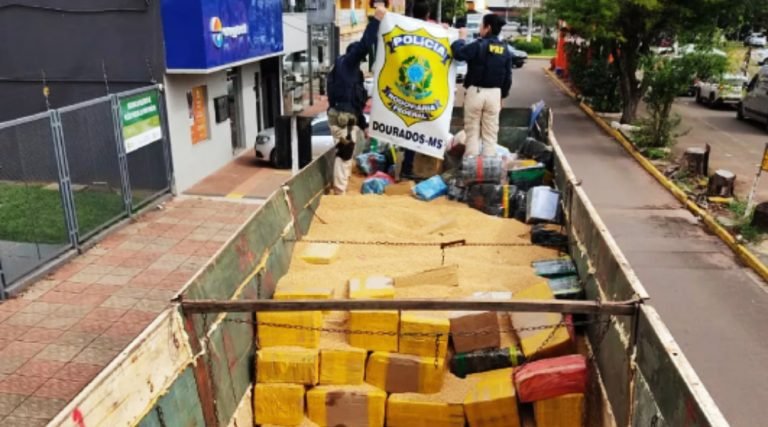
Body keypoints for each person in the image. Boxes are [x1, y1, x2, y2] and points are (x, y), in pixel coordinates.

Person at [327, 5, 387, 194]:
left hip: (348, 118)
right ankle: (339, 190)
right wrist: (376, 21)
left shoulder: (353, 75)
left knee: (347, 152)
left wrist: (364, 126)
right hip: (341, 118)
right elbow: (363, 46)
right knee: (345, 153)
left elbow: (355, 105)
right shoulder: (346, 64)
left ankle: (341, 188)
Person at [452, 14, 513, 158]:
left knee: (472, 131)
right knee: (490, 134)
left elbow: (459, 54)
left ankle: (472, 164)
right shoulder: (505, 50)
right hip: (495, 95)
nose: (479, 29)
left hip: (476, 93)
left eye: (481, 25)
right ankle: (488, 166)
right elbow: (508, 77)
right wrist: (502, 96)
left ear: (488, 27)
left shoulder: (478, 45)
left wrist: (461, 39)